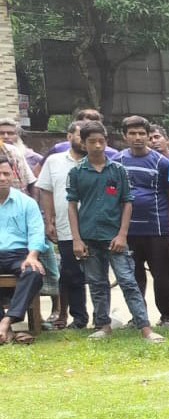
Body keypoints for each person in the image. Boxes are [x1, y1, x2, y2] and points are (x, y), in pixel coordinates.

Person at [66, 121, 163, 342]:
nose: (98, 146)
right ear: (84, 143)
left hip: (114, 237)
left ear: (107, 141)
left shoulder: (118, 170)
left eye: (101, 141)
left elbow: (127, 202)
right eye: (92, 142)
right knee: (97, 283)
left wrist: (122, 234)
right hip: (89, 235)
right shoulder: (77, 172)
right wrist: (76, 239)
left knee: (128, 281)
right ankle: (103, 325)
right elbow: (72, 205)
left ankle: (145, 327)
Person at [118, 116, 169, 326]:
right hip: (128, 231)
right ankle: (138, 317)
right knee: (133, 278)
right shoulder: (117, 162)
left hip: (159, 228)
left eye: (141, 133)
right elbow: (112, 193)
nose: (138, 138)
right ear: (124, 136)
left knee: (164, 277)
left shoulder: (162, 163)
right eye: (132, 134)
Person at [35, 121, 89, 329]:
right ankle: (79, 318)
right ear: (69, 137)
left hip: (95, 227)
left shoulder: (98, 161)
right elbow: (46, 191)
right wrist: (49, 221)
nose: (84, 141)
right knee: (71, 274)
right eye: (79, 135)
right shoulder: (54, 161)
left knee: (96, 275)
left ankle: (102, 319)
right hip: (65, 227)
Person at [0, 154, 46, 344]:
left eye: (5, 173)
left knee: (33, 272)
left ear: (13, 175)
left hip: (20, 255)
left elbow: (37, 232)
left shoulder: (27, 202)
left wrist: (33, 255)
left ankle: (7, 321)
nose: (2, 178)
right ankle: (7, 330)